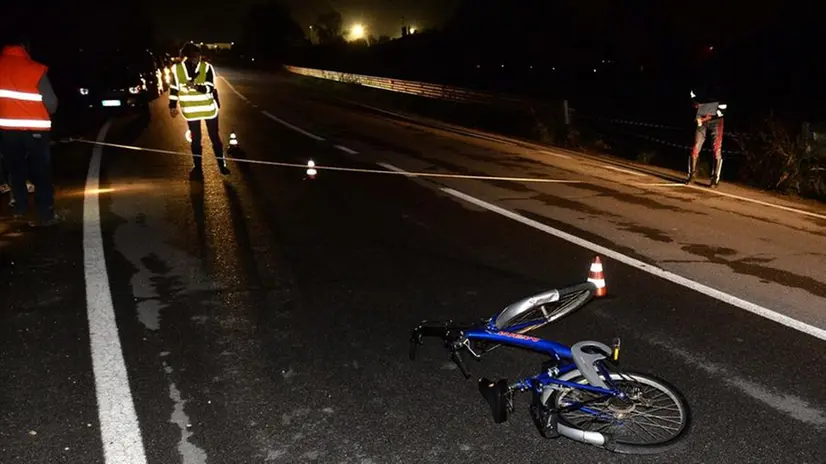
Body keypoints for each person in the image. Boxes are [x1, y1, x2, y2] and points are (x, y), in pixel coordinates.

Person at [0, 35, 61, 226]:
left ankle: (20, 208)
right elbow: (51, 103)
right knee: (41, 171)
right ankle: (45, 213)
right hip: (36, 131)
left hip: (7, 130)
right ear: (24, 48)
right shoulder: (35, 69)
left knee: (16, 170)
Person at [168, 42, 229, 178]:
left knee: (214, 137)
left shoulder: (206, 67)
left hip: (208, 108)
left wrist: (197, 87)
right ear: (187, 57)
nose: (197, 58)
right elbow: (173, 89)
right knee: (196, 139)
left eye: (198, 55)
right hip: (191, 110)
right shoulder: (177, 70)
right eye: (194, 56)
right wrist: (172, 106)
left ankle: (222, 165)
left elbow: (210, 86)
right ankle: (197, 167)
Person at [686, 86, 727, 187]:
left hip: (716, 121)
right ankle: (692, 175)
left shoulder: (721, 90)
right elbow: (692, 98)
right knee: (696, 146)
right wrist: (695, 104)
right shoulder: (700, 87)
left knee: (716, 148)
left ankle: (715, 178)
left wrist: (708, 116)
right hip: (702, 118)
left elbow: (723, 108)